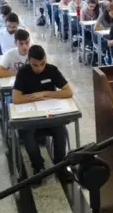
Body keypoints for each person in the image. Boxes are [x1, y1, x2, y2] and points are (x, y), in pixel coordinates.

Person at [12, 45, 73, 183]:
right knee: (28, 135)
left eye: (42, 64)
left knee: (60, 131)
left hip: (49, 114)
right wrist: (35, 96)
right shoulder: (23, 72)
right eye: (35, 65)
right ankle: (38, 167)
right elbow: (16, 98)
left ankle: (60, 166)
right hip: (31, 116)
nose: (39, 68)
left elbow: (68, 92)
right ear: (28, 61)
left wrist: (46, 93)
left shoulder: (51, 70)